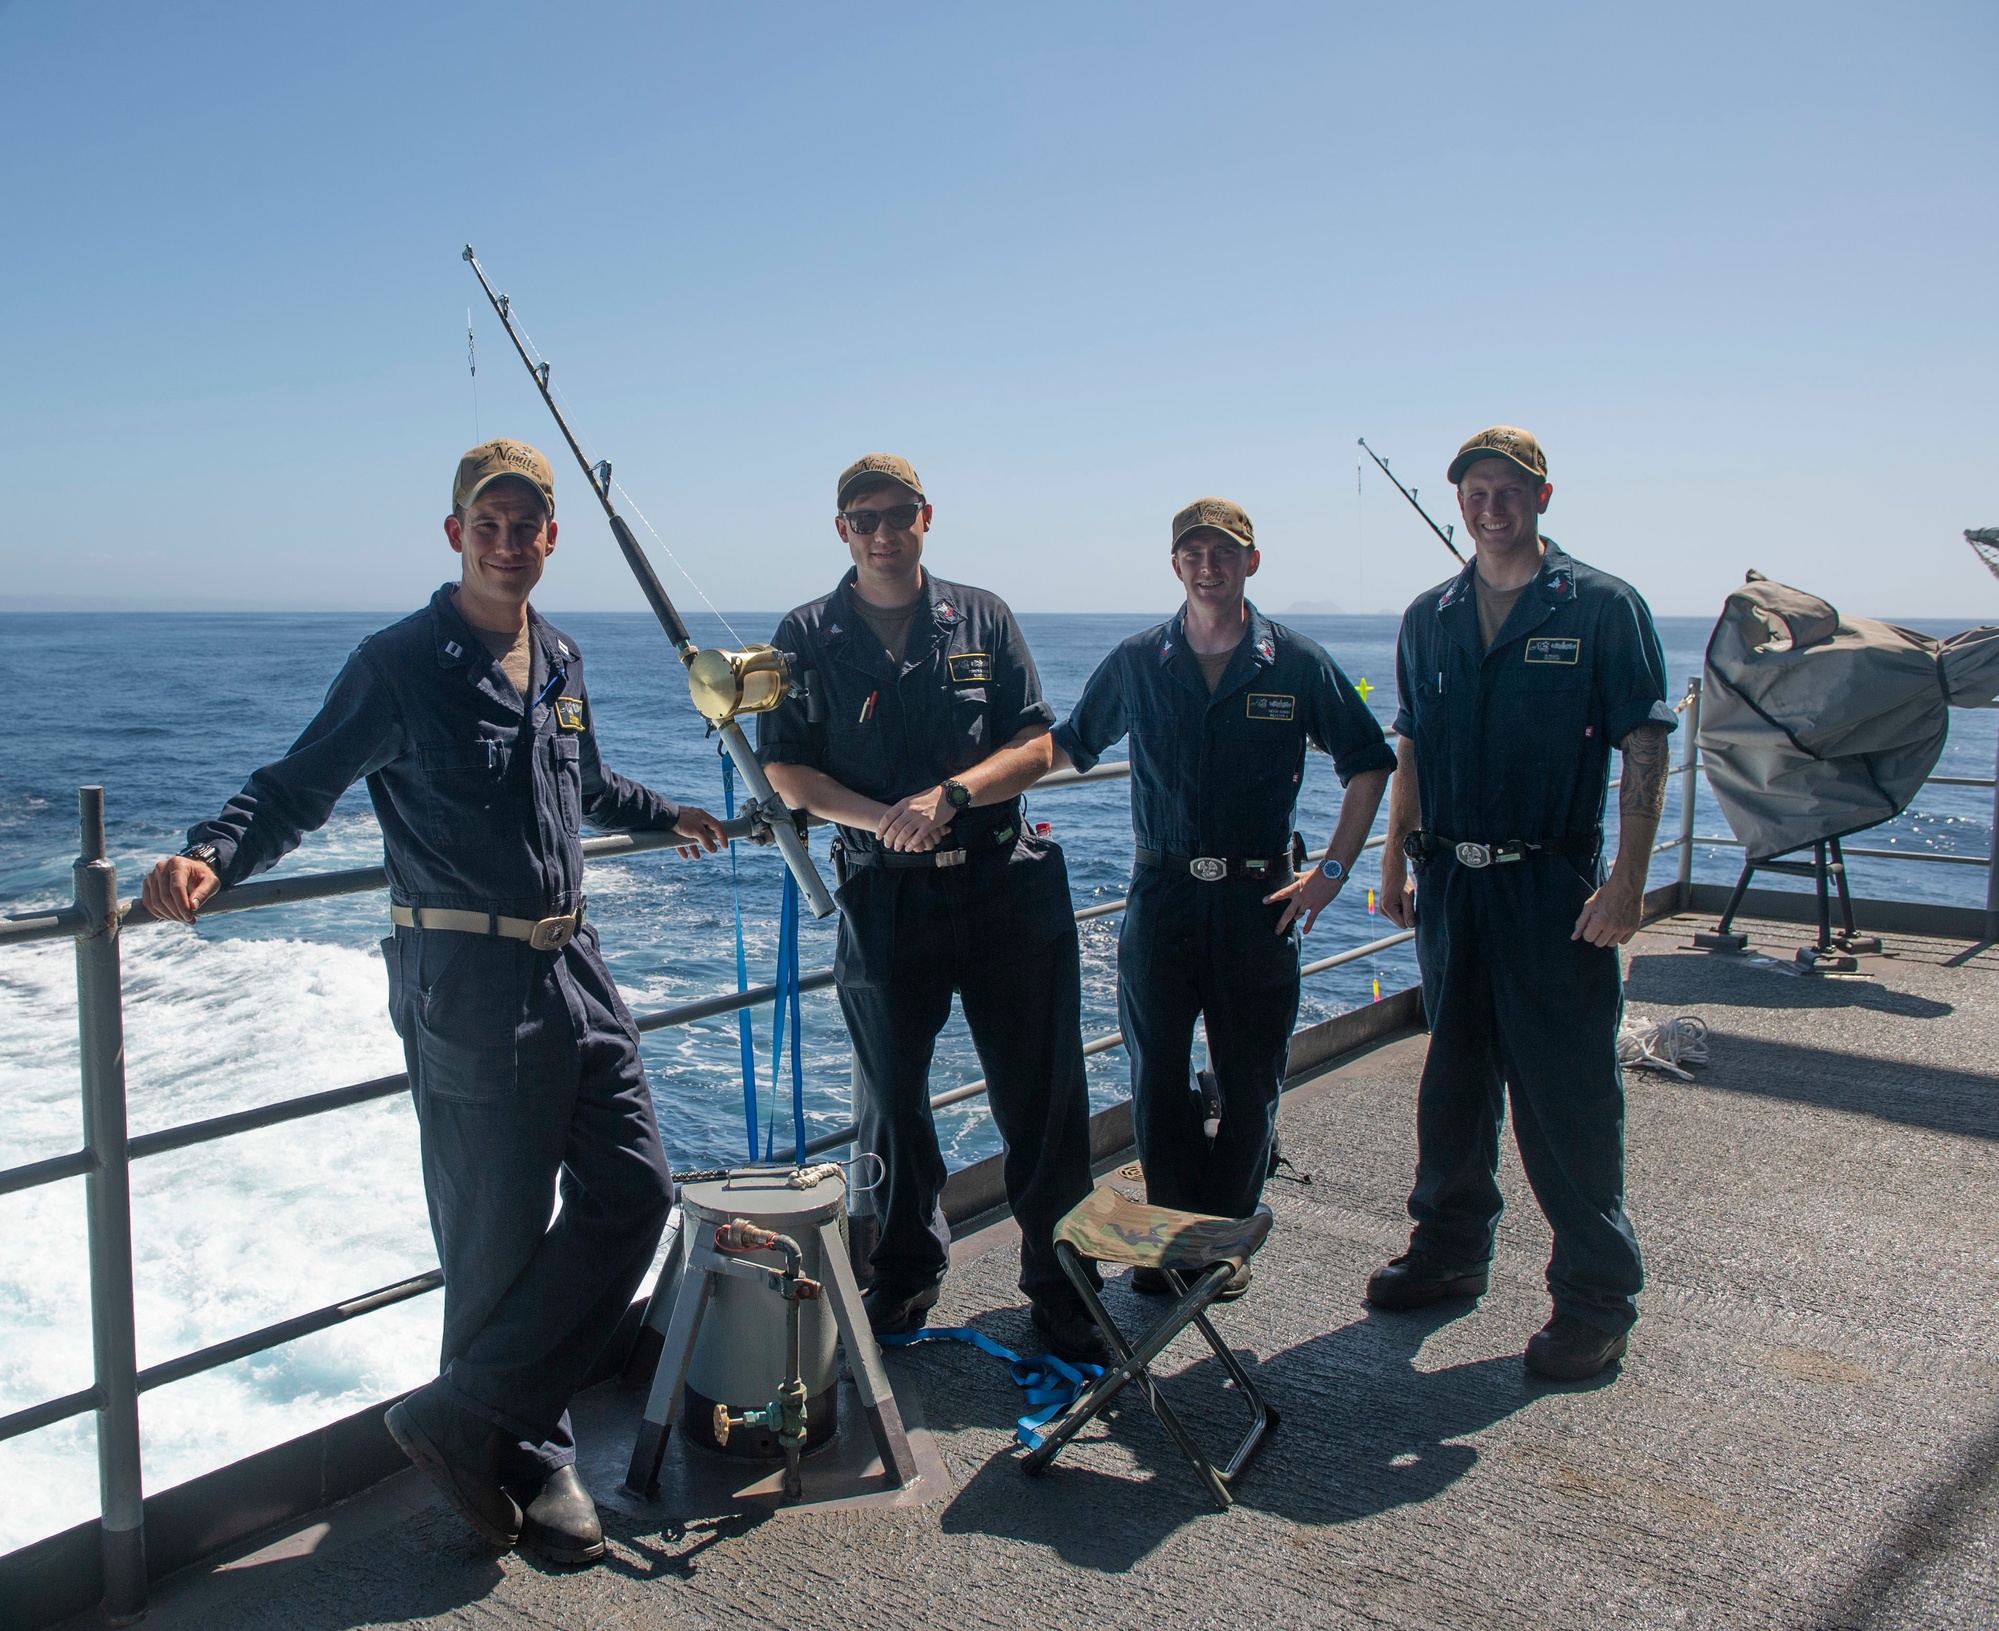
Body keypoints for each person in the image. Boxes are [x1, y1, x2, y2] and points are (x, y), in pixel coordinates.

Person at [140, 439, 727, 1563]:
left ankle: (464, 1414)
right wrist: (210, 855)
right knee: (494, 1234)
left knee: (637, 1189)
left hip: (576, 965)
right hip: (467, 980)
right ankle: (527, 1462)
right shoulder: (399, 662)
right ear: (455, 532)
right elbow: (293, 786)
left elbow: (585, 781)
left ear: (551, 538)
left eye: (528, 524)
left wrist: (669, 813)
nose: (509, 541)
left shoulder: (558, 654)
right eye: (488, 522)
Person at [755, 453, 1105, 1364]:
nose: (882, 531)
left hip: (1001, 882)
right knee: (894, 1105)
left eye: (897, 514)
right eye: (863, 518)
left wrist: (948, 794)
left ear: (926, 517)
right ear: (841, 530)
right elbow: (784, 767)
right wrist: (884, 817)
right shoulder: (802, 635)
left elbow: (1037, 744)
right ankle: (904, 1275)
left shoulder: (982, 615)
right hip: (884, 892)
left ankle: (1063, 1286)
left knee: (1041, 1098)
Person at [1369, 426, 1675, 1381]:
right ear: (1457, 500)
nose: (1488, 504)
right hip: (1452, 883)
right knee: (1452, 1085)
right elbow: (1409, 744)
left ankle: (1594, 1298)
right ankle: (1449, 1250)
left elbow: (1645, 744)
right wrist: (1390, 860)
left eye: (1508, 488)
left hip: (1553, 885)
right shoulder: (1428, 616)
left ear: (1542, 497)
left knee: (1566, 1096)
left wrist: (1626, 880)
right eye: (1473, 489)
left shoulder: (1602, 606)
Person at [1050, 498, 1394, 1288]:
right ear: (1175, 565)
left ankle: (1224, 1243)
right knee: (1157, 1076)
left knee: (1249, 1079)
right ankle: (1166, 1242)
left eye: (1224, 552)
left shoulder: (1297, 662)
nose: (1209, 565)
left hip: (1259, 900)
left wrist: (1333, 871)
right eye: (1193, 553)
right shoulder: (1138, 660)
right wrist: (967, 790)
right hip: (1161, 897)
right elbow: (1066, 745)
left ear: (1251, 561)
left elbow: (1368, 761)